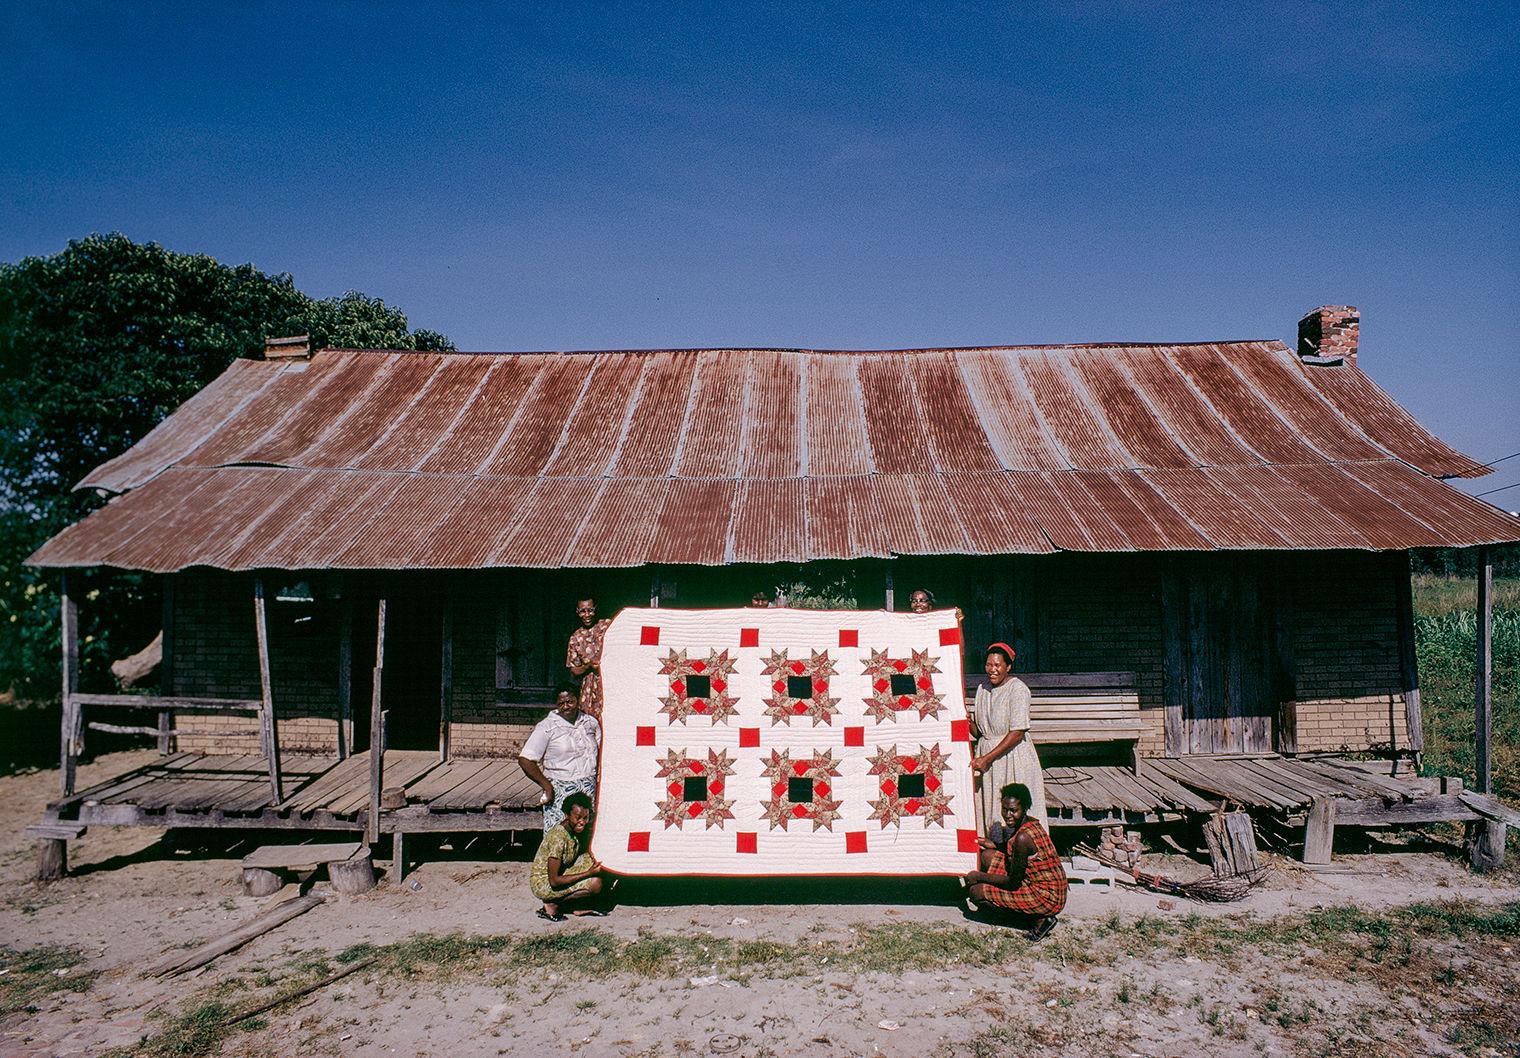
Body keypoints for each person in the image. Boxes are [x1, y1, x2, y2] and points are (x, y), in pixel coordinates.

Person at [962, 782, 1066, 939]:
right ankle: (1022, 912)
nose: (1008, 815)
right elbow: (1017, 855)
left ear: (1024, 809)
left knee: (976, 892)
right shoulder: (1029, 823)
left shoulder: (1023, 837)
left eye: (1013, 810)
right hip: (1040, 883)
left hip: (1046, 896)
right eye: (1005, 809)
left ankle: (1035, 921)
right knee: (987, 855)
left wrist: (978, 876)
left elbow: (1013, 883)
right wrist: (994, 845)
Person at [970, 642, 1047, 829]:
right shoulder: (983, 689)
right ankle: (994, 847)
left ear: (1008, 667)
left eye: (997, 665)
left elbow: (1018, 733)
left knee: (1011, 807)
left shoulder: (1018, 689)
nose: (992, 670)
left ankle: (1020, 848)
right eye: (989, 665)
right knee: (990, 807)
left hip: (1011, 756)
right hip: (988, 757)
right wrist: (964, 719)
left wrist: (987, 758)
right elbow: (980, 732)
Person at [518, 686, 600, 831]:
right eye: (561, 703)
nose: (566, 707)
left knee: (584, 834)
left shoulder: (590, 723)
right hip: (560, 789)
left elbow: (601, 752)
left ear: (578, 700)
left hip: (587, 788)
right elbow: (525, 760)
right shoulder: (547, 727)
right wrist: (547, 787)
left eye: (570, 702)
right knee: (559, 836)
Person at [530, 792, 608, 921]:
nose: (582, 822)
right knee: (596, 883)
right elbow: (554, 881)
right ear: (567, 815)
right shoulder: (558, 839)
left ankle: (579, 906)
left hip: (560, 875)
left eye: (585, 818)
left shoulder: (573, 830)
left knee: (598, 859)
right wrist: (588, 873)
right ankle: (552, 904)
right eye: (578, 818)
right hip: (544, 883)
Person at [566, 597, 611, 719]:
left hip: (610, 684)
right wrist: (588, 666)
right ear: (577, 611)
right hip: (589, 692)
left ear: (595, 609)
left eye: (590, 610)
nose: (587, 615)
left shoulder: (608, 627)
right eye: (582, 611)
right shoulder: (575, 638)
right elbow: (574, 670)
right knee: (590, 725)